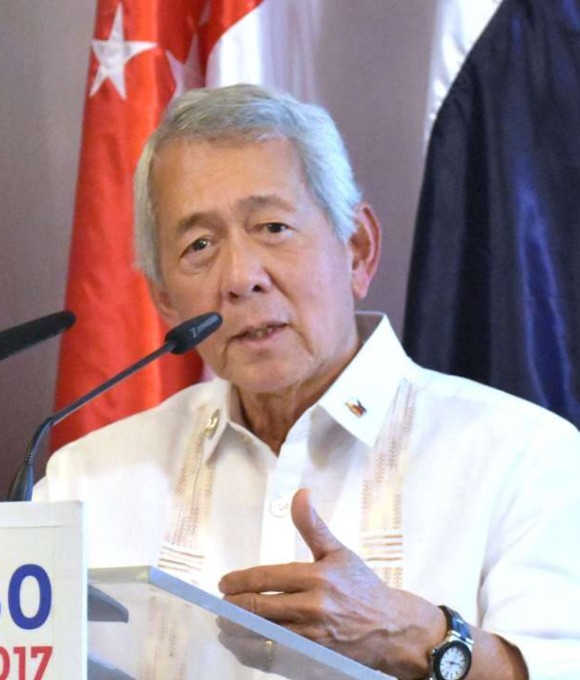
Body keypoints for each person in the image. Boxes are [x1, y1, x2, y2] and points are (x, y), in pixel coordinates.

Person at [35, 84, 580, 679]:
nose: (241, 278)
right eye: (199, 245)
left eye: (272, 227)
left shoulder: (526, 457)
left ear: (358, 250)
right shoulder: (86, 482)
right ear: (165, 299)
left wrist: (416, 638)